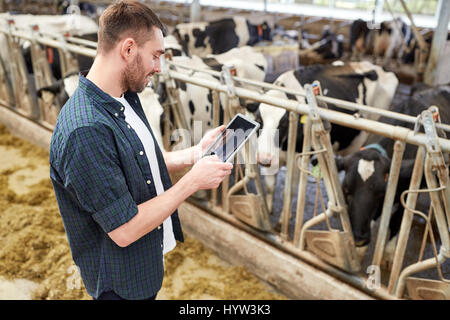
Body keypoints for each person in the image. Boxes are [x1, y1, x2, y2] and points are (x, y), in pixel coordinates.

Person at [49, 0, 233, 300]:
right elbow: (124, 230)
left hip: (142, 265)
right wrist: (192, 182)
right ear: (129, 49)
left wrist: (193, 155)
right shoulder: (86, 130)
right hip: (120, 284)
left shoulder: (124, 98)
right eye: (156, 56)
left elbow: (137, 162)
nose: (159, 68)